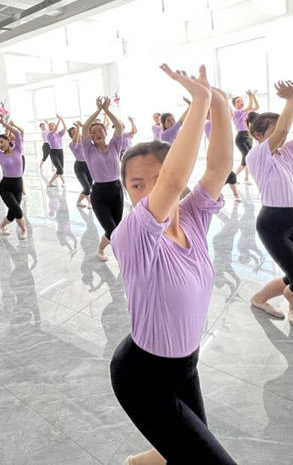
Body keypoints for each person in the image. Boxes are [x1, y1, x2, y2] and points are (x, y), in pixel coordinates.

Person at [111, 64, 236, 465]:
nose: (147, 190)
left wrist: (217, 103)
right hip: (142, 377)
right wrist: (198, 102)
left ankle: (145, 460)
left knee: (189, 451)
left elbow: (218, 167)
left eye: (157, 178)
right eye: (136, 184)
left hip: (185, 366)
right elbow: (170, 185)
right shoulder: (132, 235)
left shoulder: (195, 215)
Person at [246, 81, 293, 330]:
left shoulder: (290, 152)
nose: (284, 134)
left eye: (284, 132)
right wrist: (289, 101)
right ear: (258, 135)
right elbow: (283, 129)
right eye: (277, 131)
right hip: (274, 224)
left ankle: (259, 298)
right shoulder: (256, 156)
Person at [81, 96, 125, 261]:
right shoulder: (89, 150)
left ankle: (100, 249)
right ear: (90, 137)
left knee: (116, 228)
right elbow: (85, 127)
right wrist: (98, 110)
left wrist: (107, 110)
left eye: (100, 131)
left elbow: (119, 126)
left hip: (117, 190)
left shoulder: (115, 145)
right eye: (93, 132)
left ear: (106, 133)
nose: (97, 133)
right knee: (112, 230)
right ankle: (123, 257)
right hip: (99, 193)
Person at [0, 113, 28, 239]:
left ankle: (2, 226)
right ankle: (24, 231)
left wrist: (4, 123)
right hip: (5, 187)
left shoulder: (18, 150)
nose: (0, 145)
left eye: (2, 142)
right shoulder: (0, 155)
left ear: (8, 140)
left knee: (12, 214)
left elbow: (17, 133)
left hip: (18, 185)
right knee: (18, 211)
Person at [204, 117, 241, 202]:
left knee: (225, 175)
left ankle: (212, 194)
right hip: (216, 153)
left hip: (224, 151)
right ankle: (234, 194)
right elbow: (213, 138)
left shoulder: (221, 121)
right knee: (228, 174)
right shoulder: (208, 125)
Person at [232, 89, 259, 184]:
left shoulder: (247, 112)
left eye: (241, 100)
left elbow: (256, 107)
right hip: (241, 138)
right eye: (238, 101)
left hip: (249, 136)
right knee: (247, 158)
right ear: (235, 105)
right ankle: (233, 178)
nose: (241, 102)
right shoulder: (236, 112)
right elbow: (250, 106)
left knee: (247, 159)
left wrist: (253, 96)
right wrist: (250, 96)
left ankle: (245, 178)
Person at [69, 122, 93, 209]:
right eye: (73, 133)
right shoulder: (72, 145)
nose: (76, 133)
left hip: (89, 165)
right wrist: (78, 128)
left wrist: (82, 127)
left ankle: (79, 201)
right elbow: (75, 140)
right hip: (79, 167)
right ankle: (91, 202)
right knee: (86, 187)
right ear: (72, 136)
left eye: (77, 131)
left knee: (89, 187)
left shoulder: (86, 143)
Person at [47, 115, 67, 187]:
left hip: (60, 151)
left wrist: (62, 119)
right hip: (53, 152)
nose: (51, 127)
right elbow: (56, 128)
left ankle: (63, 182)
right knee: (60, 169)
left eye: (52, 126)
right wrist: (59, 119)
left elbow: (65, 128)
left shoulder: (59, 134)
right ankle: (50, 182)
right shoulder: (49, 134)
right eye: (49, 127)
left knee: (60, 169)